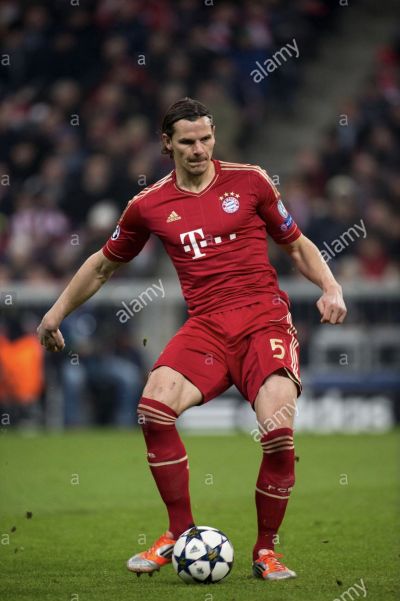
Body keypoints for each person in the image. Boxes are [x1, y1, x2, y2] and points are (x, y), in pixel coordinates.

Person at [37, 98, 347, 581]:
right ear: (168, 144)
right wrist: (54, 316)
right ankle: (179, 532)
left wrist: (330, 286)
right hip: (206, 326)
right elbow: (101, 266)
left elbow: (296, 245)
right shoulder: (148, 205)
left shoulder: (251, 181)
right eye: (187, 141)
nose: (199, 149)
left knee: (277, 435)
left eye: (206, 138)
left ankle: (266, 551)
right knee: (153, 410)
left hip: (264, 321)